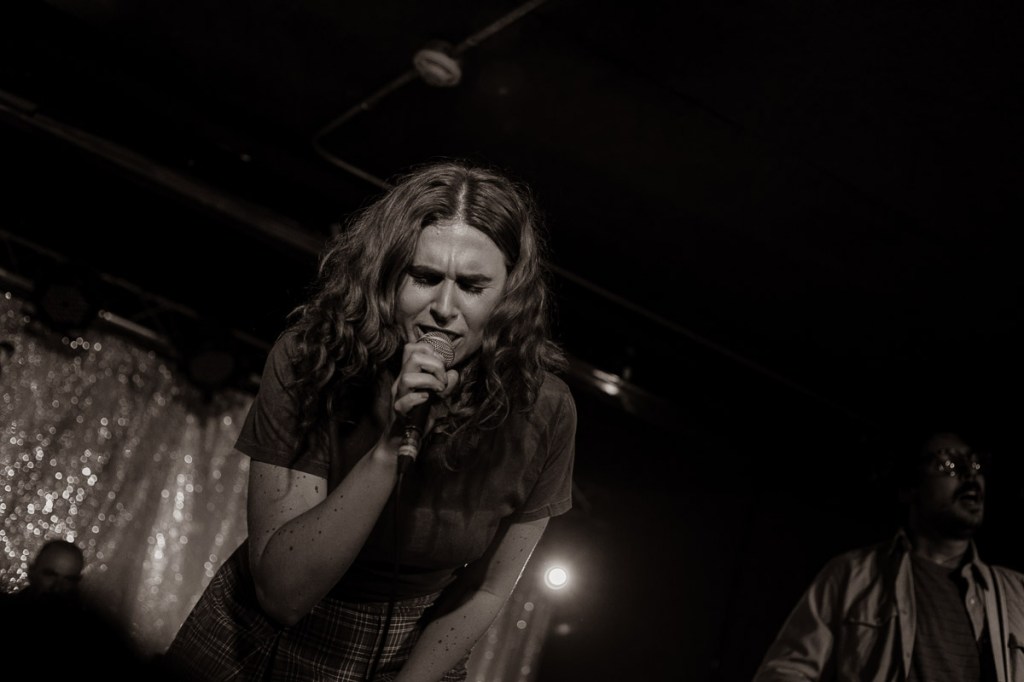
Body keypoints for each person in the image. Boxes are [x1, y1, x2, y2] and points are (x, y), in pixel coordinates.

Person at [161, 159, 577, 682]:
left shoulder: (545, 409)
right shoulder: (311, 358)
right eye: (425, 277)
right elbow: (284, 594)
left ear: (509, 296)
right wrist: (390, 445)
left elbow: (488, 588)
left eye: (472, 286)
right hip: (260, 637)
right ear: (386, 274)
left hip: (417, 647)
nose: (444, 307)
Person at [752, 427, 1024, 681]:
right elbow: (785, 671)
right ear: (908, 489)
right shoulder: (850, 574)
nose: (970, 476)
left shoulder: (1018, 592)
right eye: (948, 464)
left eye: (975, 465)